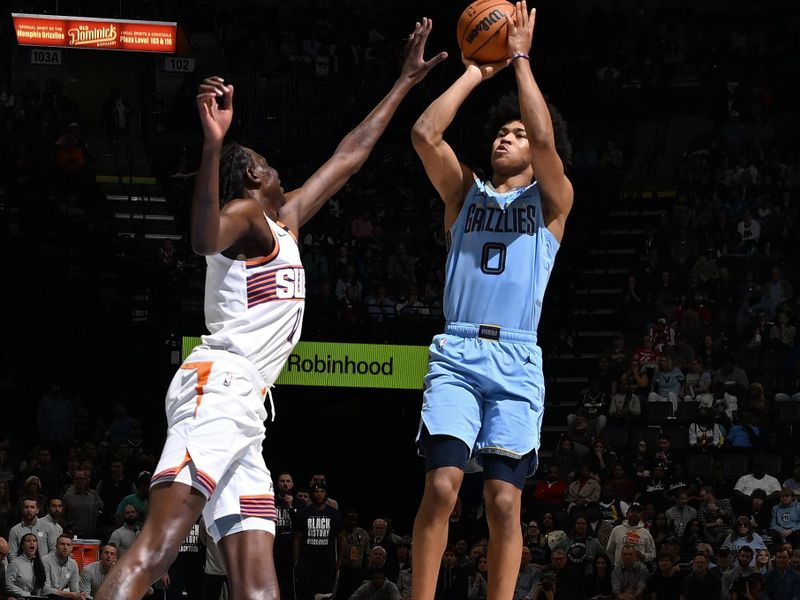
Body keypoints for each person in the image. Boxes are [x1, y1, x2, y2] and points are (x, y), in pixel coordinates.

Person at [94, 17, 445, 600]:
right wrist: (212, 146)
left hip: (246, 408)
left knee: (259, 586)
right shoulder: (246, 215)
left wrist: (404, 82)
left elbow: (351, 154)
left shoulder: (284, 223)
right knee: (155, 550)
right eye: (265, 160)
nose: (277, 166)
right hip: (217, 388)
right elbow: (204, 238)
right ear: (255, 176)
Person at [410, 5, 574, 600]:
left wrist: (522, 60)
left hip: (517, 358)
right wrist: (478, 72)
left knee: (504, 500)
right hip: (457, 350)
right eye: (501, 133)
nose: (506, 136)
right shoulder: (463, 192)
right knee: (443, 487)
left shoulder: (552, 203)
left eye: (517, 134)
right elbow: (425, 134)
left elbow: (548, 138)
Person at [41, 533, 82, 598]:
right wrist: (69, 594)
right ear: (56, 546)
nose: (65, 547)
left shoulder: (73, 564)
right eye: (62, 544)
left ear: (72, 548)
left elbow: (75, 590)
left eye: (68, 545)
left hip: (60, 597)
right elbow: (45, 589)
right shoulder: (45, 560)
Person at [5, 533, 46, 597]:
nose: (32, 543)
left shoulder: (39, 563)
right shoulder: (15, 563)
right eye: (28, 541)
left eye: (34, 541)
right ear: (23, 546)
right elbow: (8, 584)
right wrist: (26, 594)